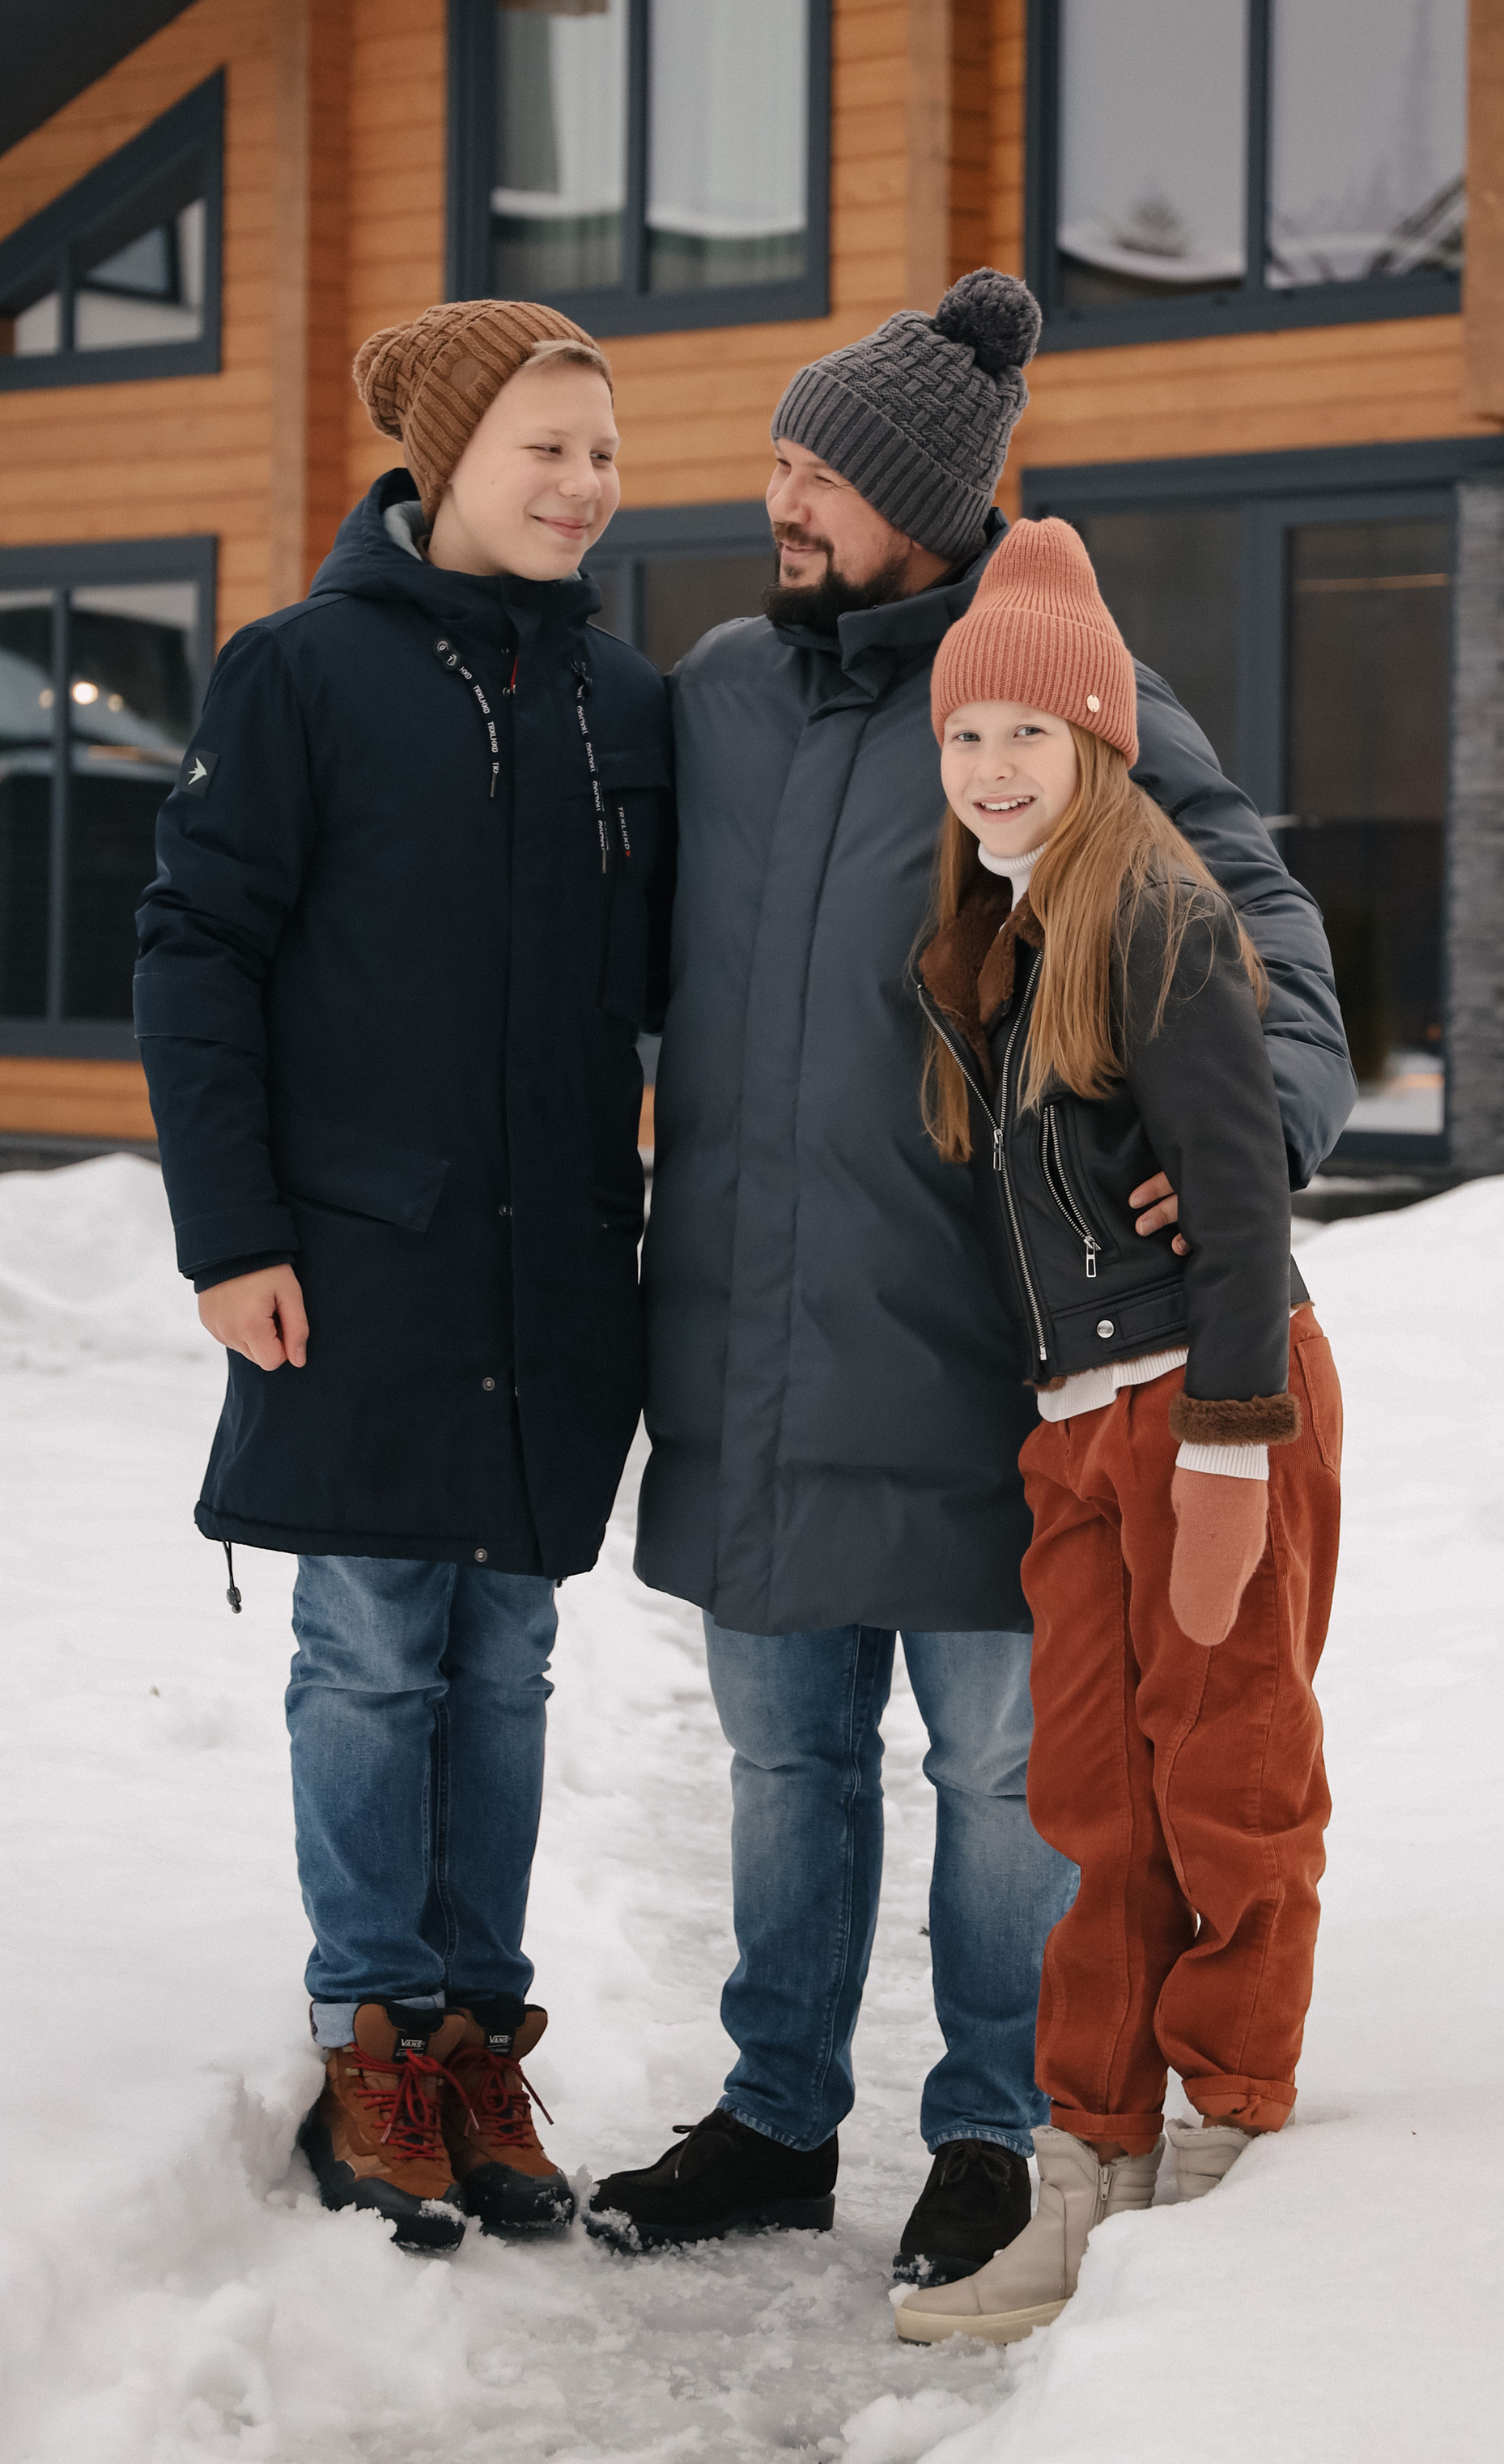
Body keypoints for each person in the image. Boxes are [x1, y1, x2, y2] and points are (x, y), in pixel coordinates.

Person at [588, 270, 1351, 2285]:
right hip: (744, 1342)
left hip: (969, 1344)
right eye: (774, 463)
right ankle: (771, 2115)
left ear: (919, 497)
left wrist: (1246, 1138)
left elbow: (1251, 924)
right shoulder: (725, 688)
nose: (781, 501)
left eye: (816, 474)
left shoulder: (1050, 689)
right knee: (779, 1755)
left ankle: (994, 2127)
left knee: (1011, 1771)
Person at [134, 301, 673, 2252]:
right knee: (369, 1643)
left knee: (505, 1658)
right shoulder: (295, 676)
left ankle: (469, 2037)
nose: (583, 484)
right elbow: (196, 954)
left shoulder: (627, 703)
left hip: (553, 1278)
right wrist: (234, 1233)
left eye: (602, 453)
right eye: (546, 446)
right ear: (444, 459)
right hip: (358, 1262)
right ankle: (372, 2030)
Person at [893, 516, 1340, 2344]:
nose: (993, 769)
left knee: (1224, 1780)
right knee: (1089, 1802)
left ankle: (1228, 2124)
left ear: (1097, 745)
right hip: (1080, 1426)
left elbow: (1240, 1214)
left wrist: (1228, 1444)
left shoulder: (1155, 917)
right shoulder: (997, 940)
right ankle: (1089, 2153)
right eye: (964, 739)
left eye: (1028, 736)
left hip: (1208, 1404)